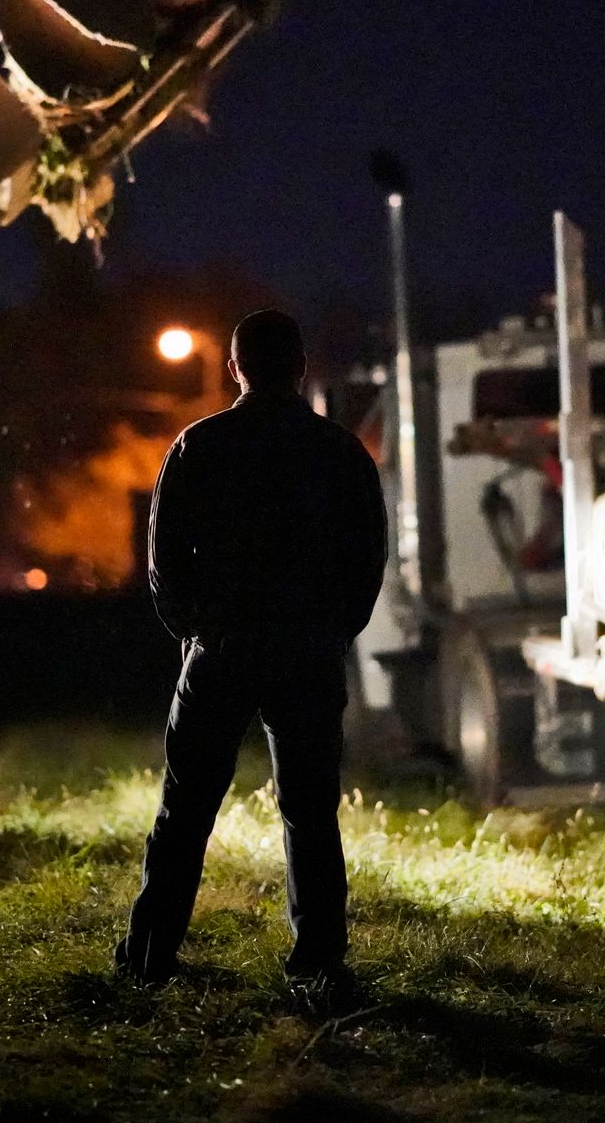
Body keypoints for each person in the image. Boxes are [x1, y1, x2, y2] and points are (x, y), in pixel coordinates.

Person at [117, 309, 388, 994]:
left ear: (234, 367)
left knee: (184, 811)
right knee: (310, 813)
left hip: (221, 648)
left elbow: (164, 558)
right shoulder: (339, 451)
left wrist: (195, 631)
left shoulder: (199, 445)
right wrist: (334, 631)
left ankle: (148, 959)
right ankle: (318, 962)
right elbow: (367, 556)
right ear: (301, 367)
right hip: (306, 651)